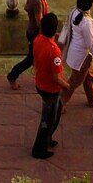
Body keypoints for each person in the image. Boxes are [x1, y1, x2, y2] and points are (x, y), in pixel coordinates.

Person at [31, 12, 70, 160]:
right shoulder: (54, 51)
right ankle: (39, 149)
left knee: (55, 112)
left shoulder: (38, 40)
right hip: (50, 89)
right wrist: (67, 86)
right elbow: (56, 78)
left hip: (40, 82)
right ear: (54, 30)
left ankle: (47, 139)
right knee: (47, 120)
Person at [7, 0, 53, 89]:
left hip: (31, 30)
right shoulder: (37, 2)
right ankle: (12, 76)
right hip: (36, 34)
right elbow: (39, 23)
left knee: (34, 57)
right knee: (30, 59)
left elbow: (26, 7)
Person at [59, 0, 93, 107]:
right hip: (83, 57)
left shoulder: (74, 12)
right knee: (74, 81)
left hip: (75, 52)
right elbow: (92, 45)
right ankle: (60, 102)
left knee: (89, 76)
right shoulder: (88, 22)